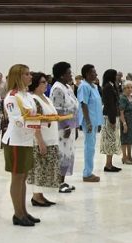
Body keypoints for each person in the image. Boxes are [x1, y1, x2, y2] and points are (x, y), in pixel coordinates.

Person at [2, 64, 43, 226]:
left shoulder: (26, 95)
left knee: (24, 177)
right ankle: (17, 214)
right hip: (16, 142)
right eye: (27, 74)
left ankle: (24, 211)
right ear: (18, 76)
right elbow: (17, 120)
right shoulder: (12, 97)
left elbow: (32, 115)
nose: (30, 77)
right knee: (17, 177)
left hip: (26, 140)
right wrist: (37, 122)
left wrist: (40, 120)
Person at [26, 72, 62, 207]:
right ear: (35, 84)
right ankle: (36, 196)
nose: (46, 84)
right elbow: (34, 121)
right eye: (42, 82)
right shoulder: (34, 100)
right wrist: (40, 141)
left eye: (46, 82)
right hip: (42, 139)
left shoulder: (46, 98)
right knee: (39, 168)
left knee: (46, 169)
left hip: (51, 137)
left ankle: (40, 194)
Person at [50, 61, 79, 193]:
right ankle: (58, 182)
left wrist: (75, 126)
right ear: (62, 75)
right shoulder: (57, 88)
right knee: (62, 153)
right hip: (62, 128)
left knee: (68, 154)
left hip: (70, 125)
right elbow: (57, 110)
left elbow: (73, 105)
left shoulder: (66, 87)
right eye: (68, 73)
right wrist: (66, 127)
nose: (71, 75)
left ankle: (62, 180)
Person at [78, 64, 103, 182]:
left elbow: (97, 105)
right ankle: (87, 173)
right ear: (87, 74)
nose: (96, 74)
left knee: (92, 147)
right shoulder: (84, 86)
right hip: (89, 121)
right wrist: (88, 122)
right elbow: (84, 104)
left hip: (94, 121)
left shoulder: (94, 86)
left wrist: (98, 123)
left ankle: (89, 171)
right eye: (93, 72)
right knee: (89, 147)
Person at [100, 69, 122, 173]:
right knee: (109, 141)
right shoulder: (108, 87)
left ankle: (110, 163)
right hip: (110, 117)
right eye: (116, 75)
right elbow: (110, 105)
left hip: (113, 116)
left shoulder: (112, 85)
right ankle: (108, 165)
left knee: (112, 141)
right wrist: (112, 120)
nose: (118, 77)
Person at [119, 81, 132, 165]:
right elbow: (121, 112)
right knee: (125, 139)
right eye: (128, 87)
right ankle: (124, 157)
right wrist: (124, 123)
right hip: (126, 121)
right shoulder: (123, 98)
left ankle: (130, 156)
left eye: (131, 87)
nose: (130, 89)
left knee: (130, 139)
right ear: (124, 88)